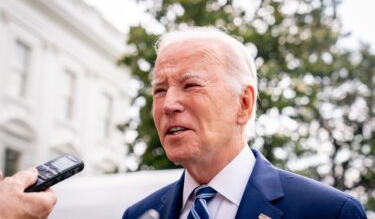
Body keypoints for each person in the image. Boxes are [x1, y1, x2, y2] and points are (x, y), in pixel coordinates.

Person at [122, 26, 367, 219]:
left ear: (244, 103)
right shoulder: (138, 215)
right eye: (160, 90)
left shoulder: (328, 212)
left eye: (191, 85)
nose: (168, 104)